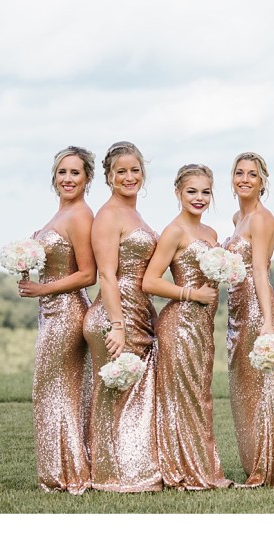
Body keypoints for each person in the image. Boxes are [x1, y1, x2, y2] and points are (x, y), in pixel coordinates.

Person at [141, 164, 232, 490]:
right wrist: (191, 293)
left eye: (205, 191)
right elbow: (149, 281)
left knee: (201, 396)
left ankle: (205, 468)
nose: (199, 197)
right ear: (178, 193)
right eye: (192, 191)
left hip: (203, 327)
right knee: (183, 398)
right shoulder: (175, 231)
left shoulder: (211, 235)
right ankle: (188, 471)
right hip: (178, 325)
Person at [81, 141, 162, 492]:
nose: (129, 177)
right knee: (114, 395)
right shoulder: (108, 215)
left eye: (135, 170)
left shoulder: (136, 215)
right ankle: (113, 475)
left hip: (140, 314)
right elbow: (106, 275)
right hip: (114, 317)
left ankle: (136, 467)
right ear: (109, 177)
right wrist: (117, 324)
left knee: (135, 396)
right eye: (121, 171)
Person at [18, 146, 97, 494]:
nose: (68, 178)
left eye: (75, 173)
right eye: (62, 172)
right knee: (55, 391)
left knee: (58, 391)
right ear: (54, 176)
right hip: (50, 311)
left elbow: (87, 274)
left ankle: (70, 474)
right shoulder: (60, 214)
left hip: (66, 311)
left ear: (87, 178)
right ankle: (63, 468)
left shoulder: (80, 215)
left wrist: (42, 289)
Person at [222, 152, 274, 487]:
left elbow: (258, 270)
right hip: (237, 310)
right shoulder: (237, 216)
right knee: (245, 390)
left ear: (262, 181)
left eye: (252, 174)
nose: (244, 179)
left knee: (263, 389)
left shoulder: (262, 219)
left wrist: (268, 322)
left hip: (258, 308)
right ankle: (257, 460)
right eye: (239, 173)